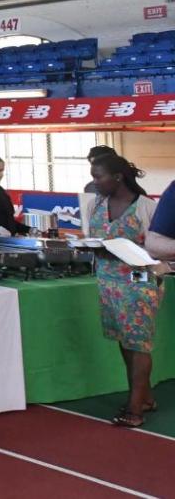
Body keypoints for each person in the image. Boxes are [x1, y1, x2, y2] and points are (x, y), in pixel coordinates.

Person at [87, 154, 163, 428]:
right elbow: (93, 237)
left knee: (138, 342)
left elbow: (160, 246)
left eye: (98, 177)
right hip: (108, 281)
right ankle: (145, 397)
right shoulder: (97, 204)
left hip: (139, 280)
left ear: (118, 177)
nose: (94, 182)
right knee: (125, 341)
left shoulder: (146, 207)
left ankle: (134, 409)